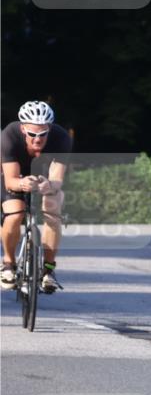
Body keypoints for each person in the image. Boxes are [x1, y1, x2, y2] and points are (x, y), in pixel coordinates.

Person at [1, 101, 73, 293]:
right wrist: (22, 183)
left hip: (45, 176)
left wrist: (49, 185)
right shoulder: (9, 136)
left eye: (43, 134)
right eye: (32, 134)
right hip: (17, 176)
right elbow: (9, 181)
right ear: (23, 129)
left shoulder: (61, 138)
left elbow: (57, 179)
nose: (37, 139)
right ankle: (8, 263)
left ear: (49, 128)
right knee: (14, 214)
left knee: (52, 211)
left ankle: (48, 270)